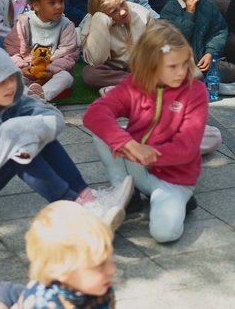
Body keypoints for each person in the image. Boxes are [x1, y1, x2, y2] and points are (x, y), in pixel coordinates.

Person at [0, 42, 133, 225]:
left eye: (11, 77)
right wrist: (14, 132)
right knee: (19, 151)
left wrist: (34, 127)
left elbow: (52, 119)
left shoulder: (4, 96)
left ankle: (87, 198)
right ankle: (75, 208)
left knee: (33, 135)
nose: (10, 86)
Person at [84, 22, 208, 243]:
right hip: (136, 164)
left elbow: (187, 148)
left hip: (173, 178)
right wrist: (129, 145)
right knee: (103, 130)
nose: (182, 72)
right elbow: (94, 113)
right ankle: (123, 191)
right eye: (172, 66)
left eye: (185, 63)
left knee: (164, 234)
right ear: (151, 65)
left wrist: (149, 153)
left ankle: (174, 201)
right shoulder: (135, 84)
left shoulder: (195, 91)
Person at [0, 202, 118, 309]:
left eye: (109, 259)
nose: (112, 269)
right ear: (62, 271)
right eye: (99, 265)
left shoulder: (100, 285)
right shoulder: (45, 304)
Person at [4, 0, 78, 102]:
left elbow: (69, 55)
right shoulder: (24, 22)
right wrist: (22, 67)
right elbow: (12, 51)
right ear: (36, 5)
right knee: (9, 75)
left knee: (67, 77)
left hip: (53, 73)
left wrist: (51, 70)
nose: (59, 6)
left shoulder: (66, 26)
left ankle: (41, 97)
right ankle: (28, 95)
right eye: (52, 2)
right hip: (29, 72)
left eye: (61, 1)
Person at [79, 0, 153, 91]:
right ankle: (139, 81)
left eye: (122, 3)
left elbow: (156, 44)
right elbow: (96, 61)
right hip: (114, 68)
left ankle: (129, 83)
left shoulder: (141, 12)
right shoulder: (93, 22)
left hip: (142, 64)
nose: (123, 12)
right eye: (114, 11)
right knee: (90, 74)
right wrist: (101, 23)